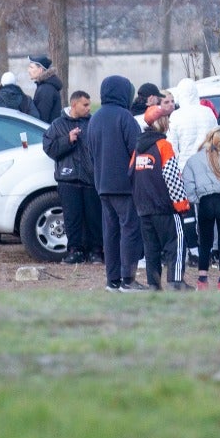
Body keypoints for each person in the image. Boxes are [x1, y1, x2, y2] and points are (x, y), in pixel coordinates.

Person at [89, 75, 143, 292]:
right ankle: (128, 280)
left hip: (102, 185)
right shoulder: (125, 117)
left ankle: (113, 280)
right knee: (130, 230)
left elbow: (91, 152)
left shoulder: (95, 118)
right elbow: (137, 151)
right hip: (125, 186)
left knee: (110, 233)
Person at [132, 105, 187, 290]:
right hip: (164, 207)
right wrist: (181, 204)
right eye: (167, 118)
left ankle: (154, 284)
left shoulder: (138, 148)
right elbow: (172, 177)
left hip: (143, 208)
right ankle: (175, 281)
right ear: (162, 122)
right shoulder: (164, 146)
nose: (169, 122)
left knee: (151, 249)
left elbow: (130, 174)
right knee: (176, 243)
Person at [182, 127, 220, 290]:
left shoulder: (193, 160)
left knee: (205, 242)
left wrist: (195, 200)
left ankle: (202, 280)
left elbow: (188, 183)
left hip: (205, 202)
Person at [43, 90, 100, 265]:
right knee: (72, 219)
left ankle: (96, 251)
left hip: (90, 180)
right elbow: (50, 149)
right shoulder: (58, 125)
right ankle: (75, 251)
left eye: (89, 105)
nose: (89, 108)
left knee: (94, 219)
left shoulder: (93, 123)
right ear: (74, 105)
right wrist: (68, 140)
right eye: (85, 105)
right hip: (68, 180)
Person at [167, 78, 218, 168]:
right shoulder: (208, 112)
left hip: (185, 167)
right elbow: (217, 140)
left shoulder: (176, 116)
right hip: (207, 165)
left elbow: (172, 148)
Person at [27, 54, 64, 123]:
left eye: (31, 67)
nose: (28, 70)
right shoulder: (45, 86)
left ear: (40, 70)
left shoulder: (45, 89)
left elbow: (42, 119)